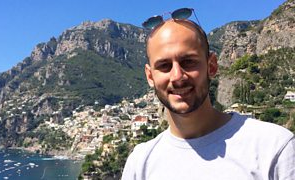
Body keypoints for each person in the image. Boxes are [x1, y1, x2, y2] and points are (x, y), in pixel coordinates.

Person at [121, 8, 295, 180]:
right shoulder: (140, 163)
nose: (177, 76)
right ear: (150, 76)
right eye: (164, 66)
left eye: (188, 62)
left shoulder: (274, 147)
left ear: (211, 66)